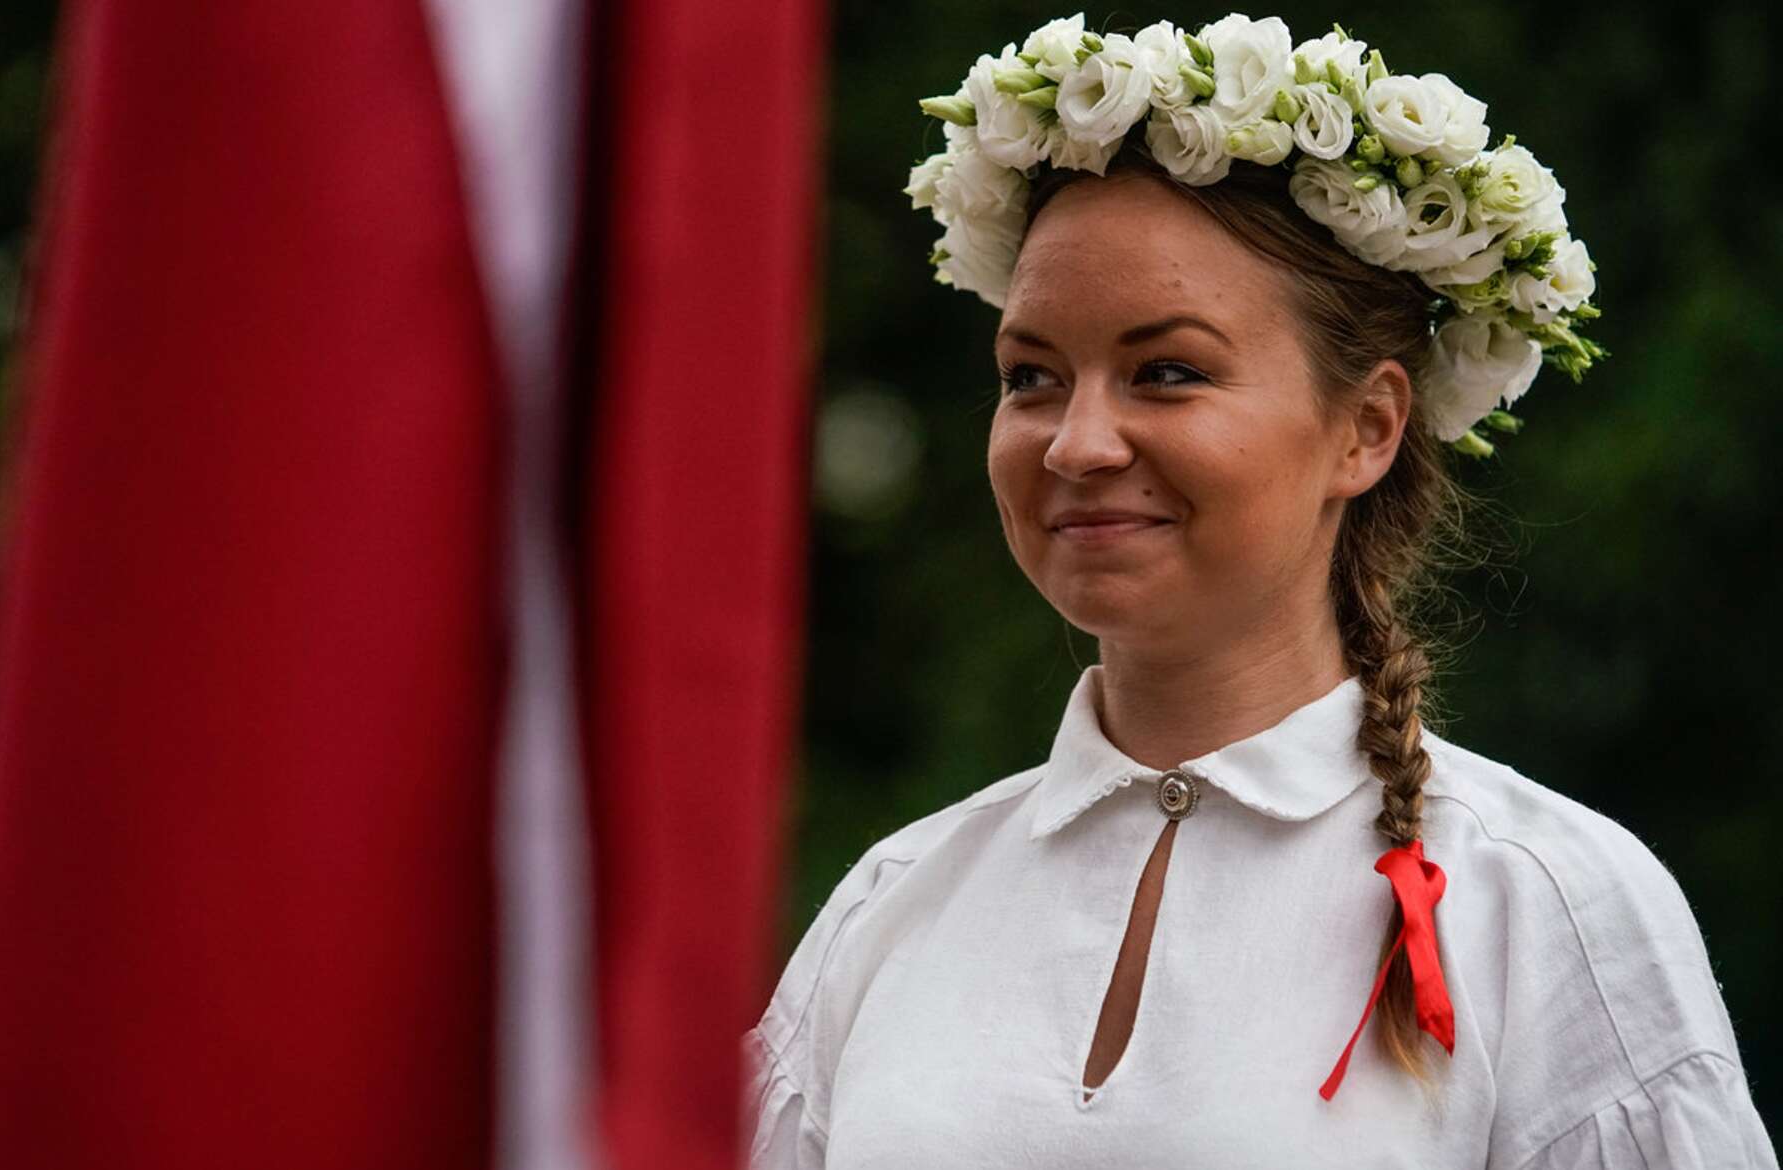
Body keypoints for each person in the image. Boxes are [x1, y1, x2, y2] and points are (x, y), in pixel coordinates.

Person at [742, 12, 1777, 1169]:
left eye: (1167, 372)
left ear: (1366, 428)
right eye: (1029, 376)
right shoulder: (895, 901)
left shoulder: (1539, 898)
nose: (1076, 442)